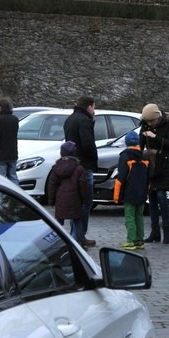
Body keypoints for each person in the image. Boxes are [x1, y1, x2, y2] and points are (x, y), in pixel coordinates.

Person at [64, 96, 99, 247]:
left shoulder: (70, 119)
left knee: (76, 201)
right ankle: (79, 235)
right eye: (93, 107)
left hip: (72, 164)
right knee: (85, 202)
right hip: (84, 165)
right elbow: (88, 143)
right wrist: (93, 160)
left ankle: (75, 234)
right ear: (89, 107)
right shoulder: (84, 121)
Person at [141, 103, 169, 244]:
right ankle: (154, 232)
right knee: (152, 199)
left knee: (162, 197)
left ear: (158, 117)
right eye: (148, 121)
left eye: (152, 121)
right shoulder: (145, 125)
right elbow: (141, 144)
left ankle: (166, 232)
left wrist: (154, 136)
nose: (150, 123)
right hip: (151, 165)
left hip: (165, 166)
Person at [47, 140, 89, 243]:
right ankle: (80, 240)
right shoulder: (79, 168)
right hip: (75, 201)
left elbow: (52, 184)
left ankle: (56, 240)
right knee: (77, 220)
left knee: (59, 221)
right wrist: (85, 200)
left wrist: (51, 199)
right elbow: (83, 185)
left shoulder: (56, 168)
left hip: (60, 200)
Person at [114, 130, 150, 250]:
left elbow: (121, 178)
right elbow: (148, 177)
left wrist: (116, 197)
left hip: (129, 192)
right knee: (139, 217)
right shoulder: (144, 156)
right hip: (142, 192)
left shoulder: (125, 156)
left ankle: (131, 240)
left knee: (130, 217)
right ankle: (140, 240)